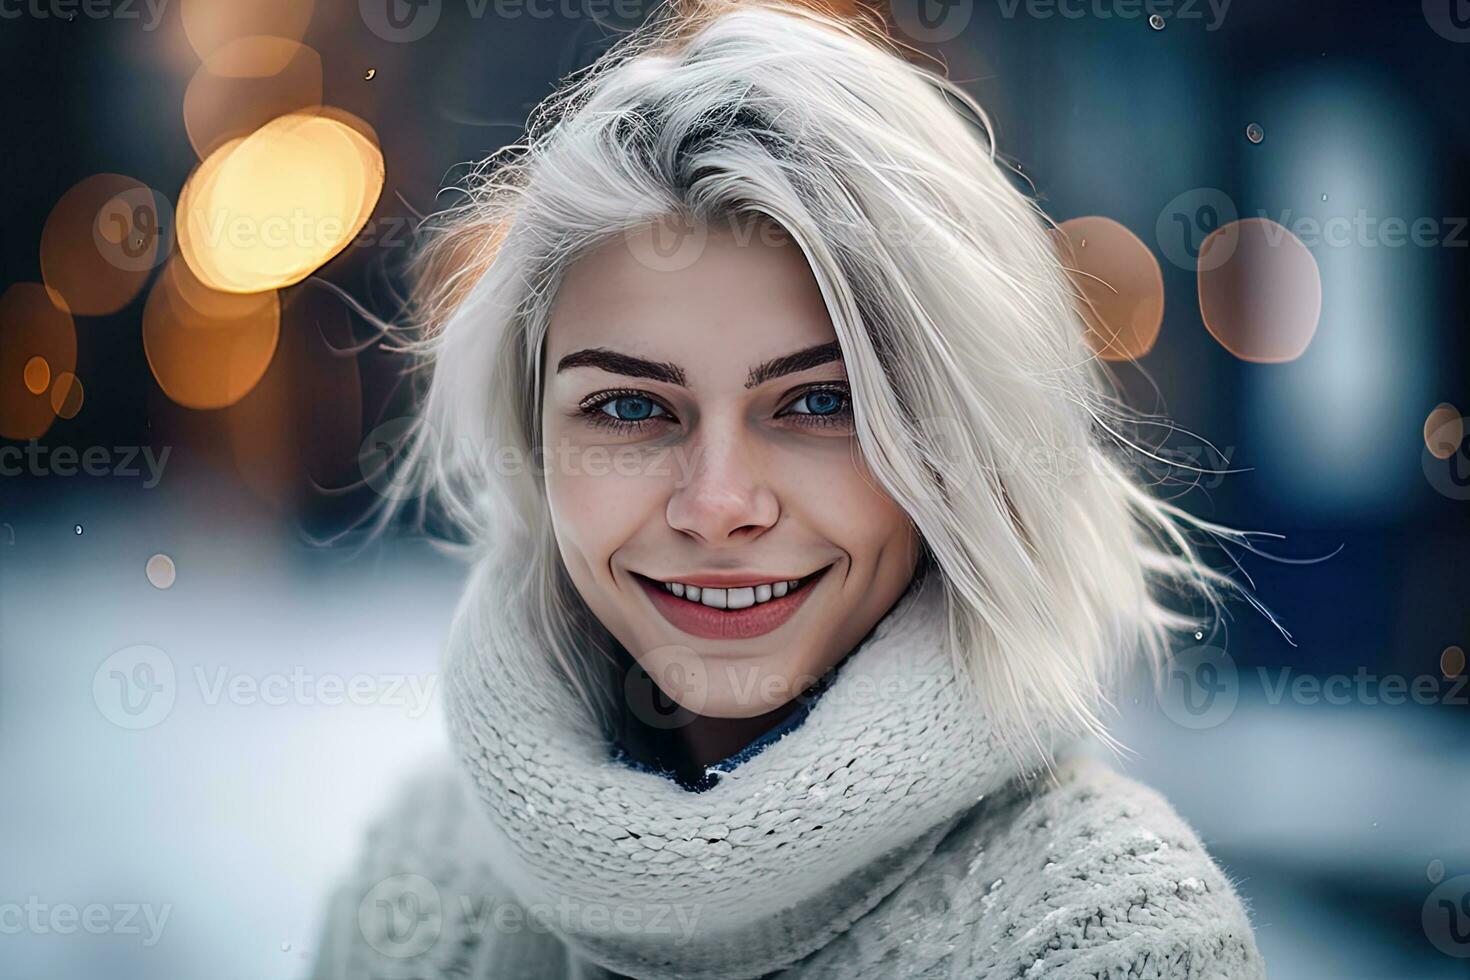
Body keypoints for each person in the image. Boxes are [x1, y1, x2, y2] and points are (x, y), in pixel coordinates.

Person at [311, 2, 1267, 976]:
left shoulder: (1108, 930)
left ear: (963, 442)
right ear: (533, 441)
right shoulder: (422, 875)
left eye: (818, 401)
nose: (719, 503)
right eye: (632, 410)